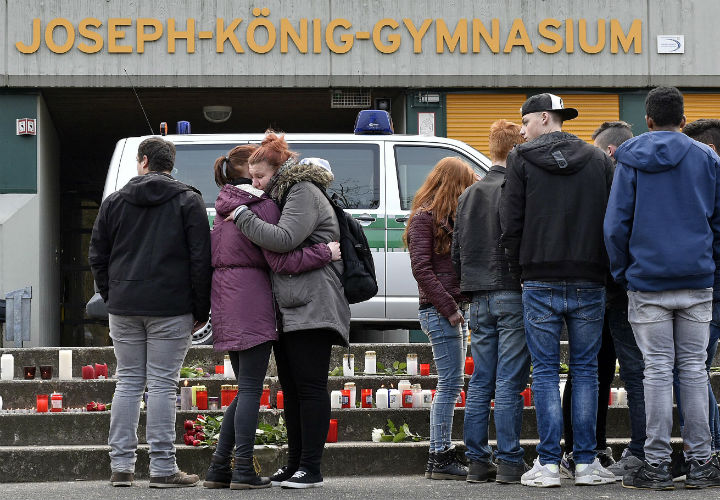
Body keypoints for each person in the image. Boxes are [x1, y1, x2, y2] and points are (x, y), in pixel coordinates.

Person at [202, 145, 340, 489]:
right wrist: (324, 251)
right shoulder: (258, 206)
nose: (260, 182)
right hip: (254, 302)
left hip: (228, 301)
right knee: (252, 388)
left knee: (251, 388)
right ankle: (242, 470)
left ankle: (222, 467)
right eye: (256, 176)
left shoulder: (224, 207)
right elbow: (280, 257)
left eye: (262, 175)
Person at [605, 86, 720, 490]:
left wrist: (624, 272)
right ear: (683, 121)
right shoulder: (707, 158)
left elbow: (615, 225)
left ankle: (655, 464)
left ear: (648, 121)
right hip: (696, 280)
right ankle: (702, 462)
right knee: (693, 370)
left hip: (647, 282)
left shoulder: (630, 159)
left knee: (655, 372)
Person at [500, 93, 616, 487]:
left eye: (526, 122)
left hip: (539, 277)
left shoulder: (520, 160)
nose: (522, 130)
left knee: (545, 371)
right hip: (589, 277)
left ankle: (548, 464)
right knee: (586, 370)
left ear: (544, 118)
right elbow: (613, 218)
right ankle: (585, 463)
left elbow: (511, 221)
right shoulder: (599, 159)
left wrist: (519, 269)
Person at [88, 137, 212, 488]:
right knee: (161, 384)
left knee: (127, 382)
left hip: (125, 305)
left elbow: (97, 255)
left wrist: (113, 296)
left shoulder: (114, 202)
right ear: (170, 164)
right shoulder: (189, 200)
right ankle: (162, 468)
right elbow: (201, 259)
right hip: (171, 307)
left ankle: (121, 467)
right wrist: (200, 308)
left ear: (142, 161)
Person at [561, 121, 641, 480]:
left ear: (608, 152)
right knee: (626, 371)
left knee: (588, 371)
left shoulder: (604, 178)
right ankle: (618, 449)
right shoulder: (632, 179)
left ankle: (582, 448)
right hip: (621, 289)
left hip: (598, 287)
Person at [452, 120, 530, 484]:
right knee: (510, 380)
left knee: (481, 378)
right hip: (512, 292)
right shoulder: (517, 189)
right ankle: (511, 459)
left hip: (478, 295)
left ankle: (478, 460)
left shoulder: (468, 194)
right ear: (516, 149)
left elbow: (456, 251)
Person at [405, 157, 476, 480]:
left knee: (452, 383)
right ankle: (439, 455)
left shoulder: (446, 218)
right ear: (453, 185)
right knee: (449, 385)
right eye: (466, 183)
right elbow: (421, 269)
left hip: (450, 310)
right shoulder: (424, 219)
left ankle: (442, 452)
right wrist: (449, 309)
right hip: (439, 311)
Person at [680, 118, 720, 460]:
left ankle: (711, 450)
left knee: (691, 370)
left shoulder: (709, 182)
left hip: (708, 288)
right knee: (696, 371)